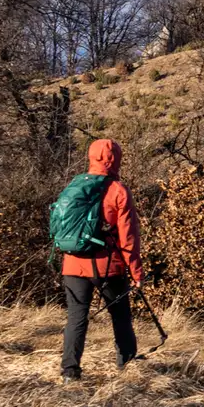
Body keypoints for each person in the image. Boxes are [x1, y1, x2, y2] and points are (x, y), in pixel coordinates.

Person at [60, 138, 142, 381]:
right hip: (109, 267)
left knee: (76, 318)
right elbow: (129, 239)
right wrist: (137, 274)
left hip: (73, 263)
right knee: (120, 316)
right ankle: (127, 366)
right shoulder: (118, 191)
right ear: (116, 159)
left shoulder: (74, 186)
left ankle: (69, 372)